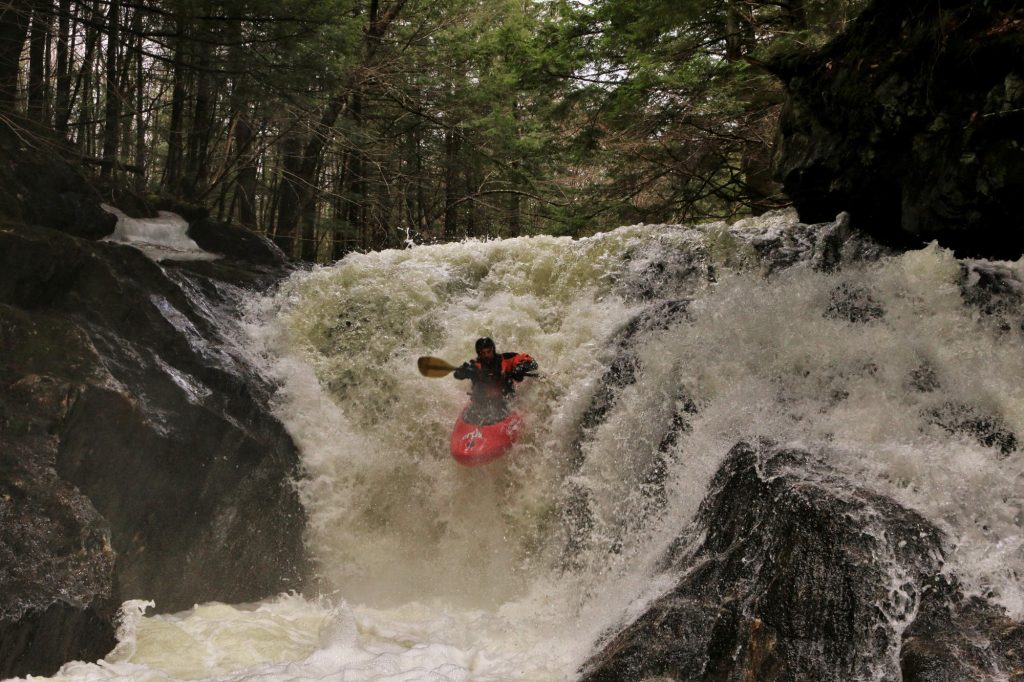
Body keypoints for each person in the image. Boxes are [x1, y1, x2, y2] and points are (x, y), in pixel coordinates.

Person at [453, 337, 538, 424]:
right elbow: (457, 374)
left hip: (505, 404)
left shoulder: (507, 359)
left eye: (489, 352)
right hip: (480, 405)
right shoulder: (474, 365)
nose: (486, 355)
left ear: (493, 350)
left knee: (500, 406)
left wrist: (520, 368)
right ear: (479, 353)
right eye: (483, 353)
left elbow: (531, 362)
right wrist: (463, 371)